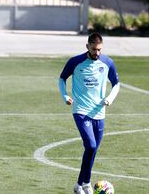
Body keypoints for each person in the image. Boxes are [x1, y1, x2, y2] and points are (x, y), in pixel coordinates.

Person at [58, 33, 120, 194]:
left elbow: (116, 84)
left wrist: (110, 98)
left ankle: (83, 184)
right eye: (94, 49)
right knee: (91, 145)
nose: (97, 53)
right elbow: (62, 78)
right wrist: (65, 95)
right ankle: (83, 183)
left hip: (99, 112)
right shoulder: (75, 62)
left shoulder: (107, 62)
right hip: (81, 111)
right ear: (87, 46)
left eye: (99, 49)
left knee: (93, 150)